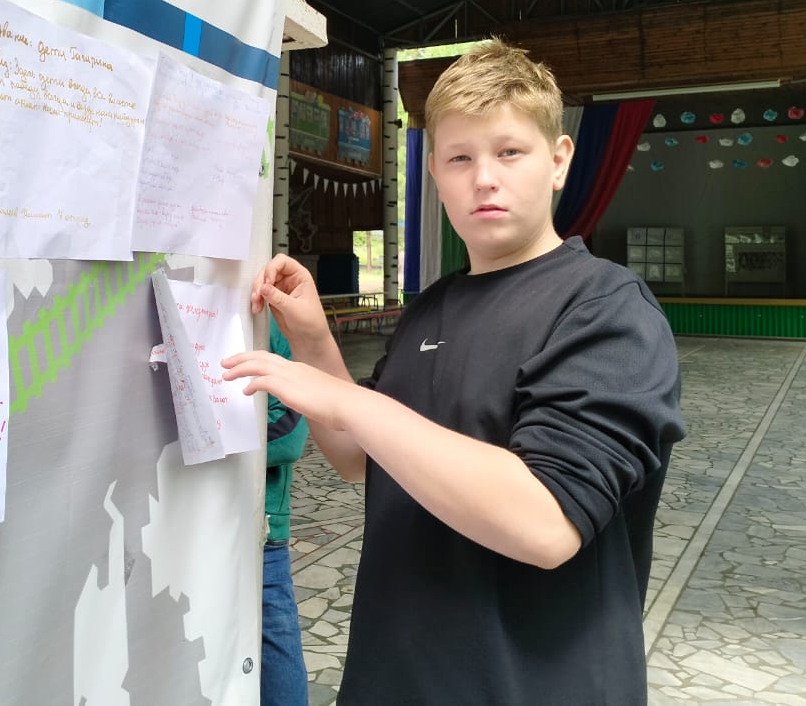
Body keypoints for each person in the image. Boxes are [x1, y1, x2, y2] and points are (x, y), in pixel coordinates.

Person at [223, 39, 686, 704]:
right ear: (435, 174)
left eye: (510, 151)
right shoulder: (431, 308)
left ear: (559, 161)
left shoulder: (605, 308)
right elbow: (359, 457)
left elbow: (547, 522)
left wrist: (349, 402)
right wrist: (315, 341)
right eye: (460, 158)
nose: (484, 178)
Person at [260, 319, 309, 705]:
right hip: (175, 522)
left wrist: (205, 443)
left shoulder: (267, 321)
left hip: (260, 534)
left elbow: (290, 434)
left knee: (275, 649)